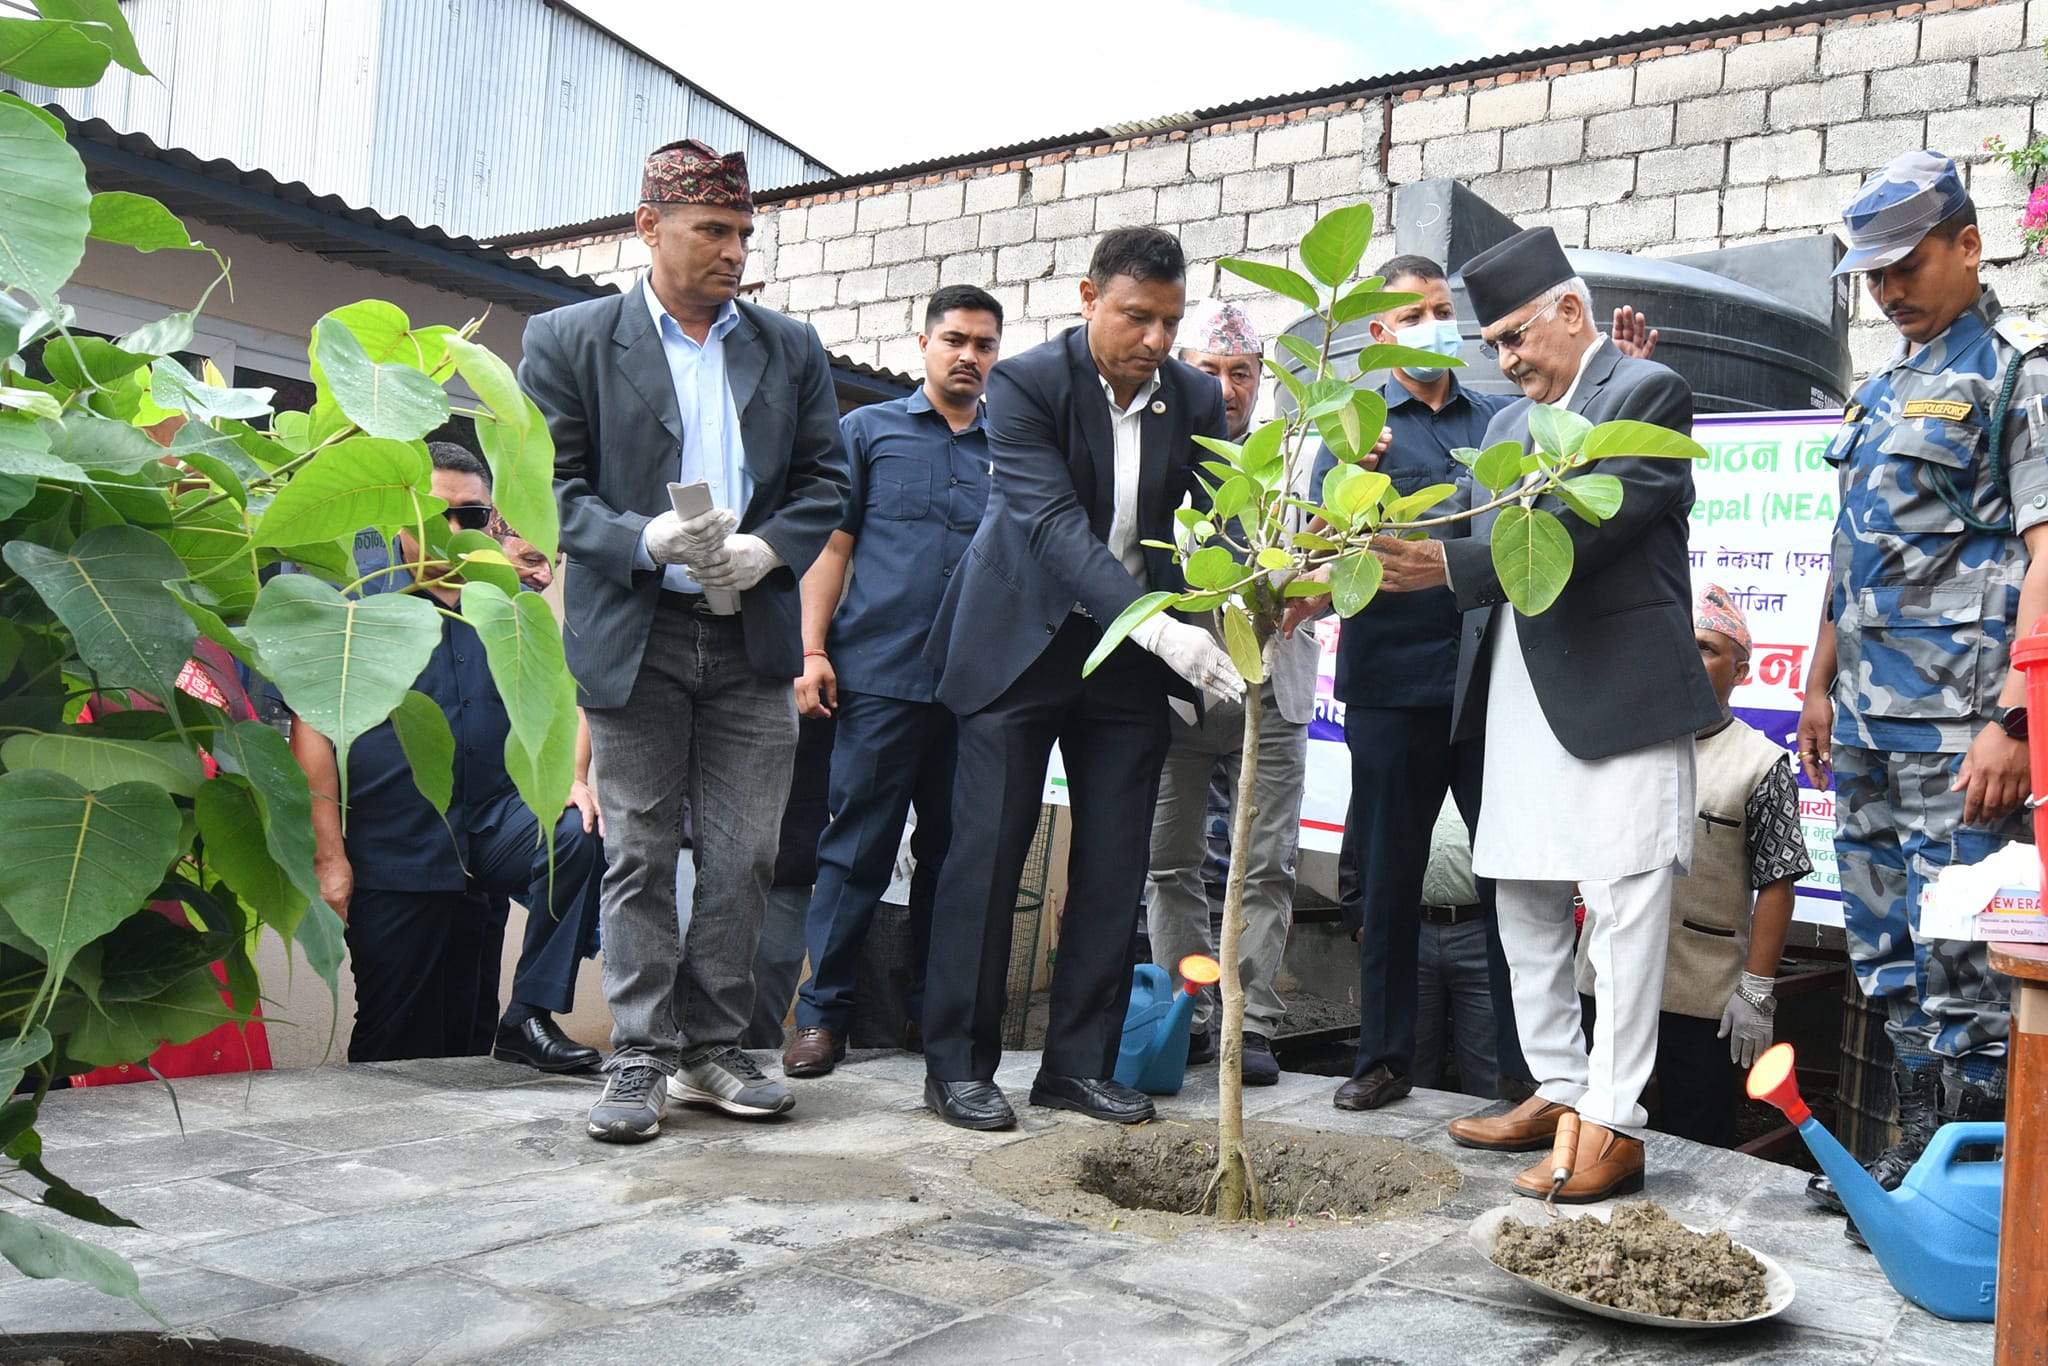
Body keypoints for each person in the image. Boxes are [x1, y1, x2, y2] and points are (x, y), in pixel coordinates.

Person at [1370, 226, 1722, 1203]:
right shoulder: (1503, 431)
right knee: (1521, 895)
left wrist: (1442, 565)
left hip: (1614, 695)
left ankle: (1611, 1122)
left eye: (1516, 337)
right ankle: (1556, 1088)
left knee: (1620, 908)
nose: (1503, 358)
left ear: (1570, 312)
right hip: (1517, 695)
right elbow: (1486, 543)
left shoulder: (1645, 397)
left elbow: (1581, 529)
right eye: (1492, 347)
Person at [519, 138, 848, 1143]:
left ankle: (713, 1050)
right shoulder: (567, 340)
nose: (732, 251)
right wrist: (637, 539)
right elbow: (547, 493)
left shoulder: (786, 348)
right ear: (646, 227)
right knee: (638, 855)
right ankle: (638, 1057)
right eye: (711, 230)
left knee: (746, 854)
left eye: (743, 233)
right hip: (636, 630)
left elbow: (827, 483)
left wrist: (770, 550)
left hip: (747, 633)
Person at [919, 227, 1241, 1131]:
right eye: (1136, 316)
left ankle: (1076, 1067)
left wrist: (1253, 586)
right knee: (985, 858)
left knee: (1112, 866)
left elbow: (1213, 523)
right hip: (1022, 642)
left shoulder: (1194, 399)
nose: (1156, 340)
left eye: (1170, 322)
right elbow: (1054, 525)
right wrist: (1163, 629)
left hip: (1131, 662)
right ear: (1088, 296)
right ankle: (956, 1066)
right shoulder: (1025, 382)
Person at [1798, 150, 2048, 1217]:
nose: (1886, 289)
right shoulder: (1878, 391)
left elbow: (2044, 551)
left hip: (1956, 733)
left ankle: (1974, 1191)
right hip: (1860, 724)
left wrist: (2013, 716)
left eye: (1904, 264)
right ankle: (1910, 1164)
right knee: (1885, 956)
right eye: (1870, 273)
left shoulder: (2013, 378)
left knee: (1964, 970)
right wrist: (1815, 681)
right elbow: (1849, 544)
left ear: (1966, 245)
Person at [291, 443, 606, 1067]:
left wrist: (569, 778)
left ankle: (530, 1015)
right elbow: (312, 731)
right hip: (396, 848)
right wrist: (330, 857)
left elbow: (567, 700)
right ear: (402, 522)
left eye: (472, 515)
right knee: (398, 1038)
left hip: (488, 831)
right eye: (440, 517)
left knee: (575, 834)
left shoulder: (508, 610)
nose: (457, 531)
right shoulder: (355, 610)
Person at [1303, 256, 1528, 1113]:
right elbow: (1323, 564)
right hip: (1391, 685)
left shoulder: (1498, 422)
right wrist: (1352, 475)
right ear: (1379, 332)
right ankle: (1384, 1058)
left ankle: (1522, 1068)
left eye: (1444, 309)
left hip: (1485, 685)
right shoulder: (1353, 431)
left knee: (1511, 877)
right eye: (1416, 314)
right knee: (1389, 878)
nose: (1437, 324)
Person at [781, 286, 1004, 1078]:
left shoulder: (1011, 447)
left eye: (983, 343)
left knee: (957, 858)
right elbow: (831, 550)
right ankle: (822, 1018)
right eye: (955, 339)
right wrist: (811, 650)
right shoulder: (867, 432)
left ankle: (930, 1018)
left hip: (977, 693)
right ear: (924, 343)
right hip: (878, 677)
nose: (968, 355)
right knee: (855, 852)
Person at [1142, 299, 1315, 1088]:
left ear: (1260, 382)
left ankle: (1249, 1024)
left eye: (1240, 373)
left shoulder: (1295, 466)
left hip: (1271, 689)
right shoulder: (1155, 460)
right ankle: (1189, 1008)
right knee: (1169, 861)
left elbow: (1337, 569)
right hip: (1179, 691)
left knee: (1267, 863)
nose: (1225, 388)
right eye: (1208, 372)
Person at [1577, 585, 1811, 1147]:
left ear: (1742, 670)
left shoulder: (1760, 762)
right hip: (1608, 983)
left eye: (1706, 647)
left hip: (1701, 997)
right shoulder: (1623, 745)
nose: (1688, 656)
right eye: (1680, 644)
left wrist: (1755, 990)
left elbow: (1777, 883)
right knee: (1597, 1133)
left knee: (1695, 1145)